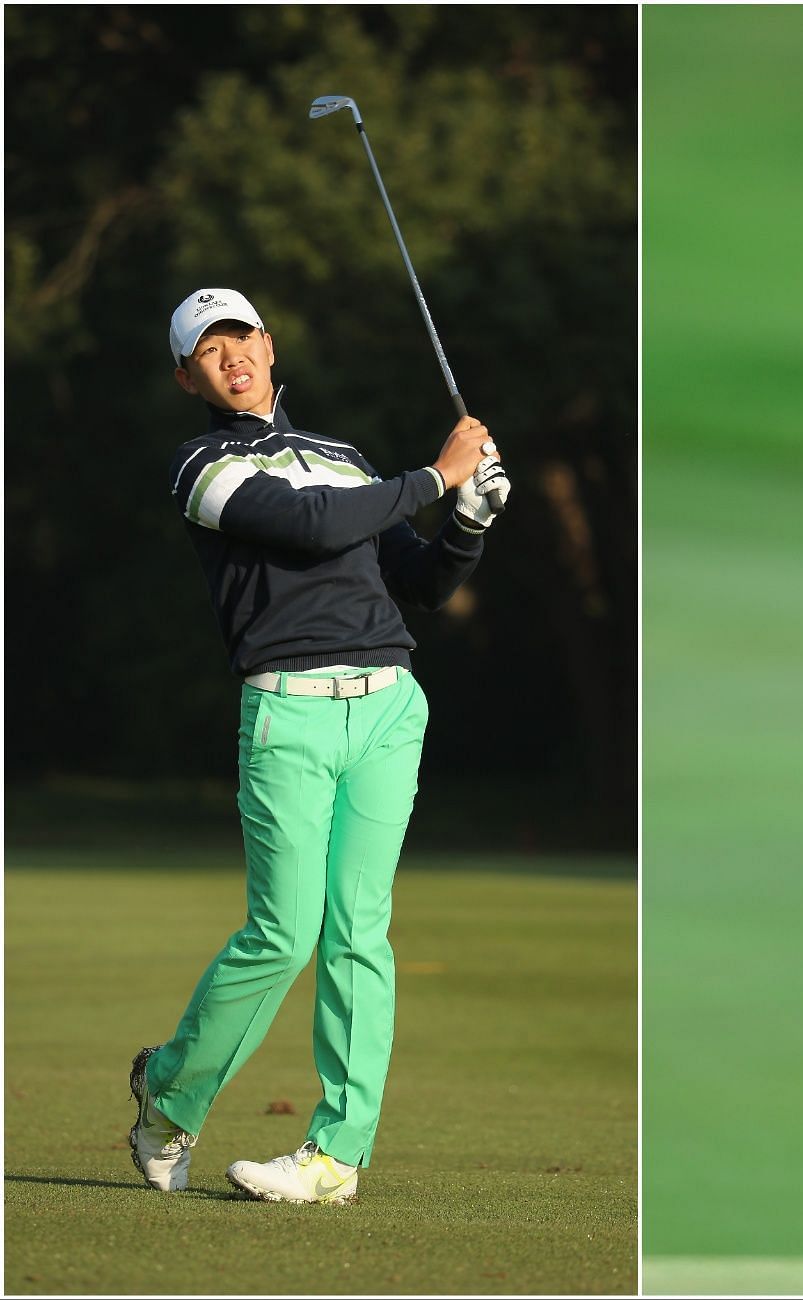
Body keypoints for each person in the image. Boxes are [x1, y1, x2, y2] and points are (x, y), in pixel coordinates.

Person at [128, 287, 511, 1203]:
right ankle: (170, 1099)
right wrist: (434, 477)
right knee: (282, 932)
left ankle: (336, 1157)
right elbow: (311, 527)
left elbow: (417, 580)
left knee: (358, 931)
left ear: (268, 342)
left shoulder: (344, 457)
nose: (232, 356)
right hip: (289, 712)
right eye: (209, 350)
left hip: (387, 707)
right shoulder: (201, 467)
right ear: (189, 376)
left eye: (241, 337)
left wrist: (469, 518)